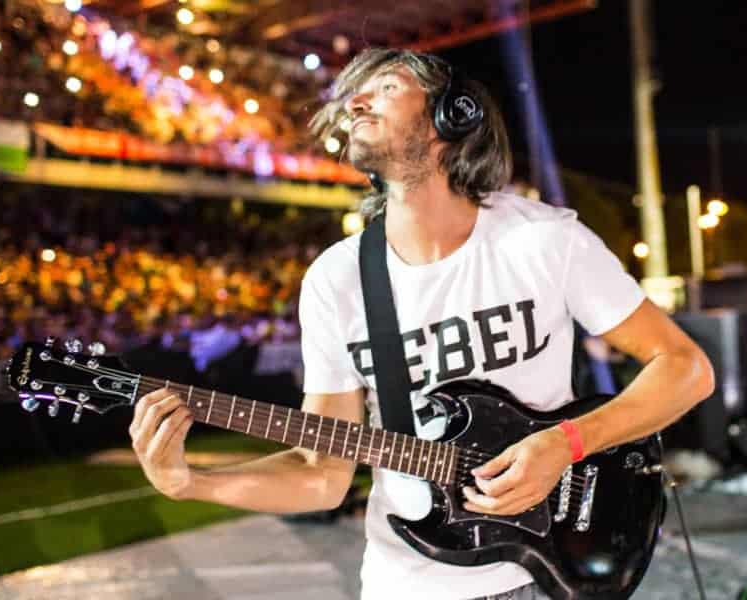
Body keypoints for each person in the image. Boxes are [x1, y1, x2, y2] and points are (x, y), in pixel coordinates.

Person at [128, 48, 716, 600]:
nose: (356, 102)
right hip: (402, 585)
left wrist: (566, 444)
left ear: (450, 118)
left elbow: (686, 369)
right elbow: (324, 475)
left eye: (382, 87)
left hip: (536, 576)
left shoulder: (544, 241)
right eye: (352, 95)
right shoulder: (336, 281)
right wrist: (191, 483)